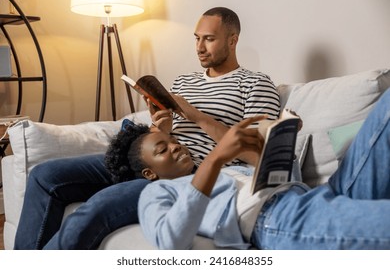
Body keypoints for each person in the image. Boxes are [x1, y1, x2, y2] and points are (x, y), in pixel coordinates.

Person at [14, 7, 280, 249]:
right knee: (45, 175)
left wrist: (196, 116)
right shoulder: (184, 82)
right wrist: (159, 127)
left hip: (188, 171)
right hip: (155, 155)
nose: (199, 47)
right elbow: (163, 134)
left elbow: (259, 151)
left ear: (233, 40)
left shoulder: (255, 83)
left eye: (209, 39)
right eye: (196, 38)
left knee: (99, 207)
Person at [136, 89, 390, 250]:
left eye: (175, 141)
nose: (175, 147)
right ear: (149, 173)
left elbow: (284, 184)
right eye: (162, 149)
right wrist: (215, 158)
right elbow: (170, 241)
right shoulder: (157, 191)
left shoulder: (229, 172)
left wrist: (278, 141)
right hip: (277, 219)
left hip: (315, 194)